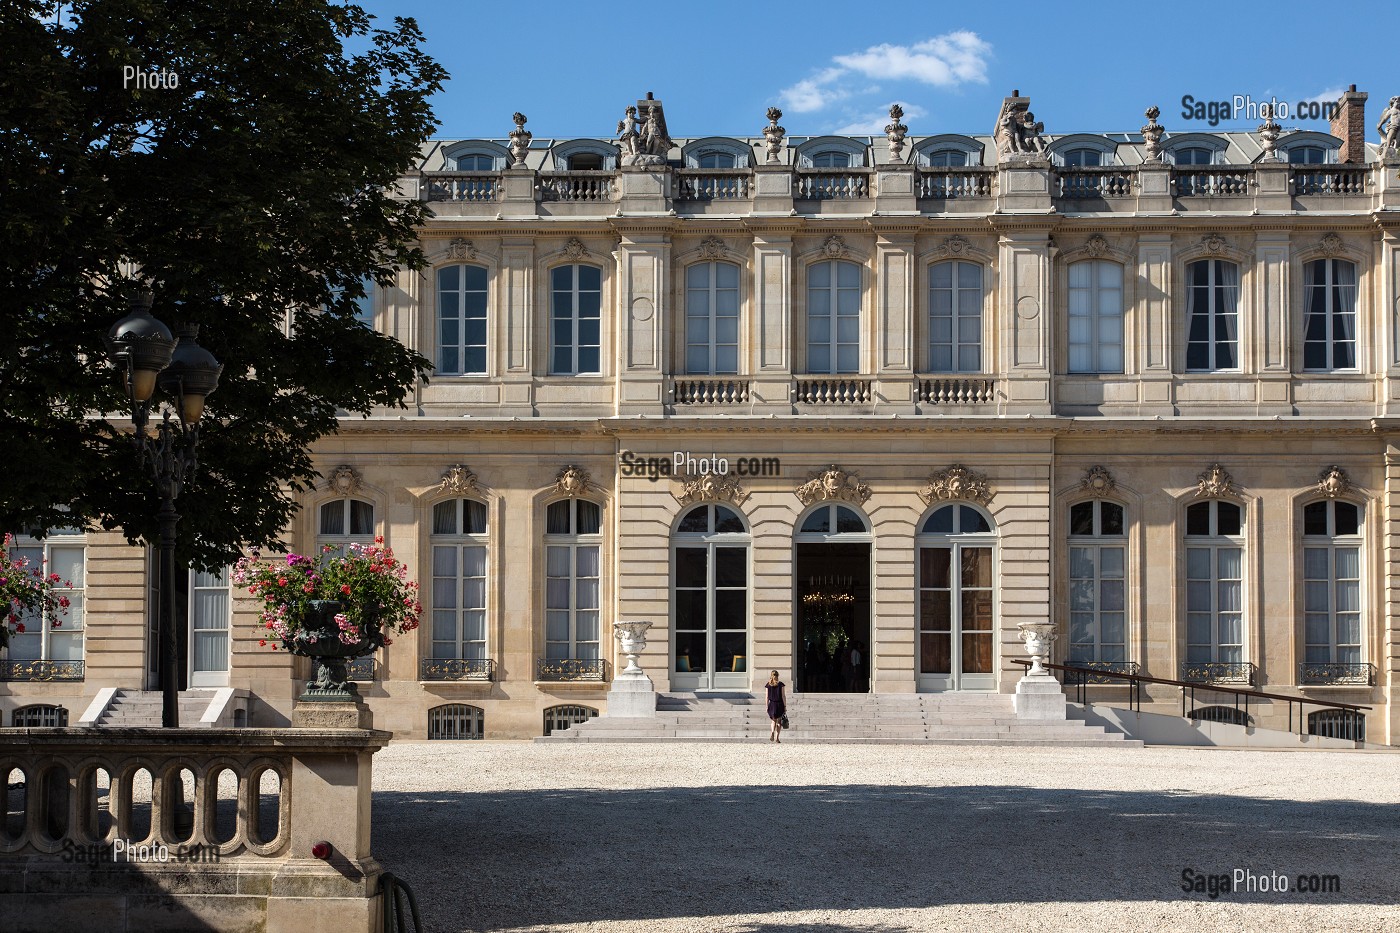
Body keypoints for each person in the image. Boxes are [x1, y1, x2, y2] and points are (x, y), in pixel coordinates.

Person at [765, 670, 787, 743]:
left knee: (773, 720)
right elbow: (783, 696)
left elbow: (767, 697)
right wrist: (785, 706)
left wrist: (766, 706)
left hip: (772, 704)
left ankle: (772, 732)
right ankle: (777, 737)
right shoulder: (781, 684)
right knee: (779, 721)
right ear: (778, 675)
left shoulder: (768, 685)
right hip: (779, 703)